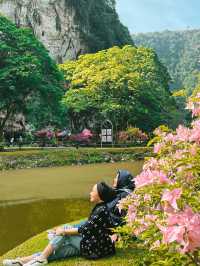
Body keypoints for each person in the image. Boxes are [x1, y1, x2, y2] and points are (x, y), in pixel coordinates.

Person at [3, 182, 116, 266]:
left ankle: (42, 258)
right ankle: (19, 261)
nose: (90, 193)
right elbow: (90, 227)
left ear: (100, 195)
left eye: (93, 191)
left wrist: (63, 231)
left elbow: (85, 229)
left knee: (65, 229)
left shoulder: (101, 210)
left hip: (92, 248)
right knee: (53, 252)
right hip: (89, 245)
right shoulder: (100, 208)